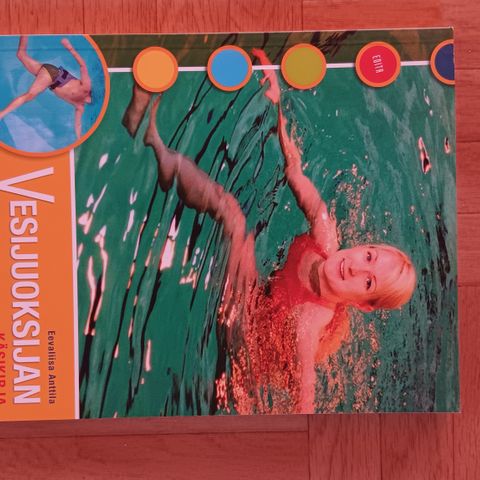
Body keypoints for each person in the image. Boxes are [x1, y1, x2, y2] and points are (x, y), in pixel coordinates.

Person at [122, 50, 416, 414]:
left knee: (234, 218)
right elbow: (295, 171)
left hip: (249, 337)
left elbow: (305, 397)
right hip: (265, 297)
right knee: (232, 214)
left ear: (361, 304)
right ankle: (157, 150)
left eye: (368, 282)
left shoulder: (309, 324)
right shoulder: (325, 234)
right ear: (364, 246)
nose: (355, 267)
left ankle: (152, 141)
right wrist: (277, 104)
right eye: (368, 256)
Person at [0, 36, 92, 139]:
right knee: (29, 96)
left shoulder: (79, 106)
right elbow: (83, 66)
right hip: (53, 74)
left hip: (48, 76)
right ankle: (2, 114)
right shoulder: (86, 87)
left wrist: (79, 138)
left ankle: (25, 31)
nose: (90, 101)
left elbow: (78, 124)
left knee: (21, 55)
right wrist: (69, 47)